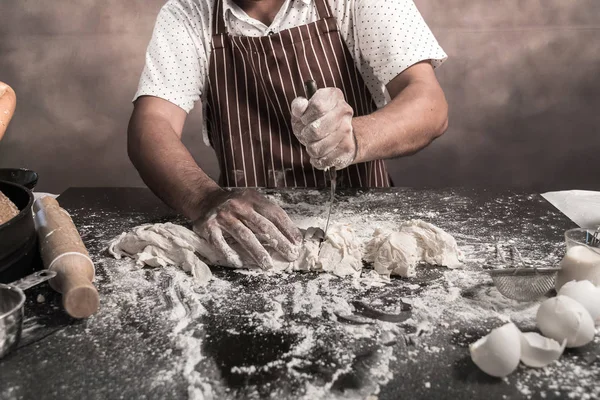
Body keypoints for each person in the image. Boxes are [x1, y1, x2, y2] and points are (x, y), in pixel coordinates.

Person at [128, 0, 448, 270]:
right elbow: (151, 125)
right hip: (250, 239)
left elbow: (428, 103)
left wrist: (355, 137)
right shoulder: (188, 12)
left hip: (364, 234)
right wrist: (204, 198)